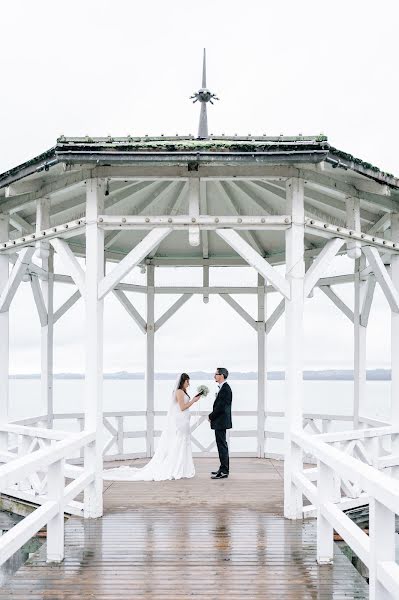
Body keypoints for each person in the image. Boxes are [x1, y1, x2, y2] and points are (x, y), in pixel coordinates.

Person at [103, 373, 200, 481]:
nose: (188, 383)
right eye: (187, 381)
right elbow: (182, 407)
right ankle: (176, 468)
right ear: (182, 381)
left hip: (184, 420)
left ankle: (183, 468)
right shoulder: (179, 392)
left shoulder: (183, 391)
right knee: (179, 443)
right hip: (181, 421)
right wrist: (193, 401)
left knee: (183, 443)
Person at [208, 367, 232, 479]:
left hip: (221, 422)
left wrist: (211, 416)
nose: (214, 376)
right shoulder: (223, 388)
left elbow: (221, 408)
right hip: (221, 422)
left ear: (221, 375)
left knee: (222, 446)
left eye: (216, 374)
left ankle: (224, 471)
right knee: (221, 445)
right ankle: (222, 468)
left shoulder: (226, 389)